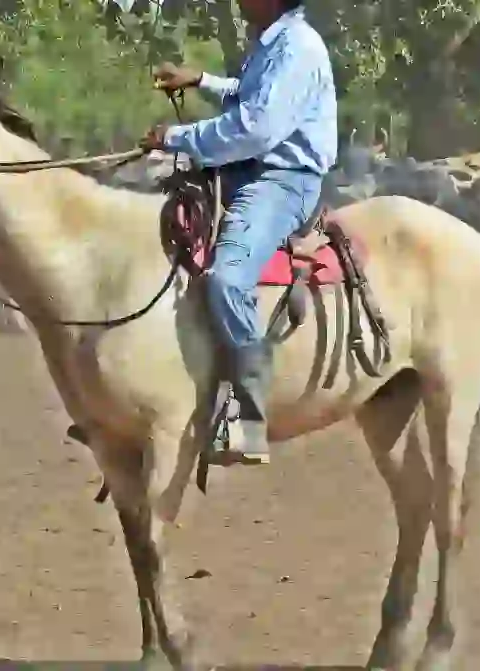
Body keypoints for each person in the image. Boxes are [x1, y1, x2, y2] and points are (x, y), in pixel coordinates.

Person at [141, 0, 337, 465]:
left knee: (228, 278)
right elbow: (250, 97)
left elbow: (257, 127)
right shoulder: (272, 41)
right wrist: (200, 81)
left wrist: (175, 138)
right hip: (244, 169)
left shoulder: (299, 48)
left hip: (281, 180)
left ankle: (247, 418)